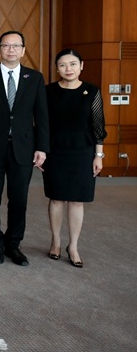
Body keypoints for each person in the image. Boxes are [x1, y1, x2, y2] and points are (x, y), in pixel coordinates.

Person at [0, 30, 49, 266]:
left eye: (16, 46)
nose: (11, 49)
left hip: (23, 148)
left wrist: (42, 147)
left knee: (18, 200)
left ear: (23, 50)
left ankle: (13, 245)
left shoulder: (35, 78)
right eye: (6, 45)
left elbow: (42, 116)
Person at [43, 49, 106, 268]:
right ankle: (56, 241)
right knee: (56, 198)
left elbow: (98, 127)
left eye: (72, 64)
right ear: (57, 68)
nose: (68, 69)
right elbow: (41, 124)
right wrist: (41, 151)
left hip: (83, 153)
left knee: (77, 200)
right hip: (55, 151)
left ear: (81, 66)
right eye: (62, 65)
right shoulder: (48, 91)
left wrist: (98, 155)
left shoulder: (92, 91)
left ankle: (74, 246)